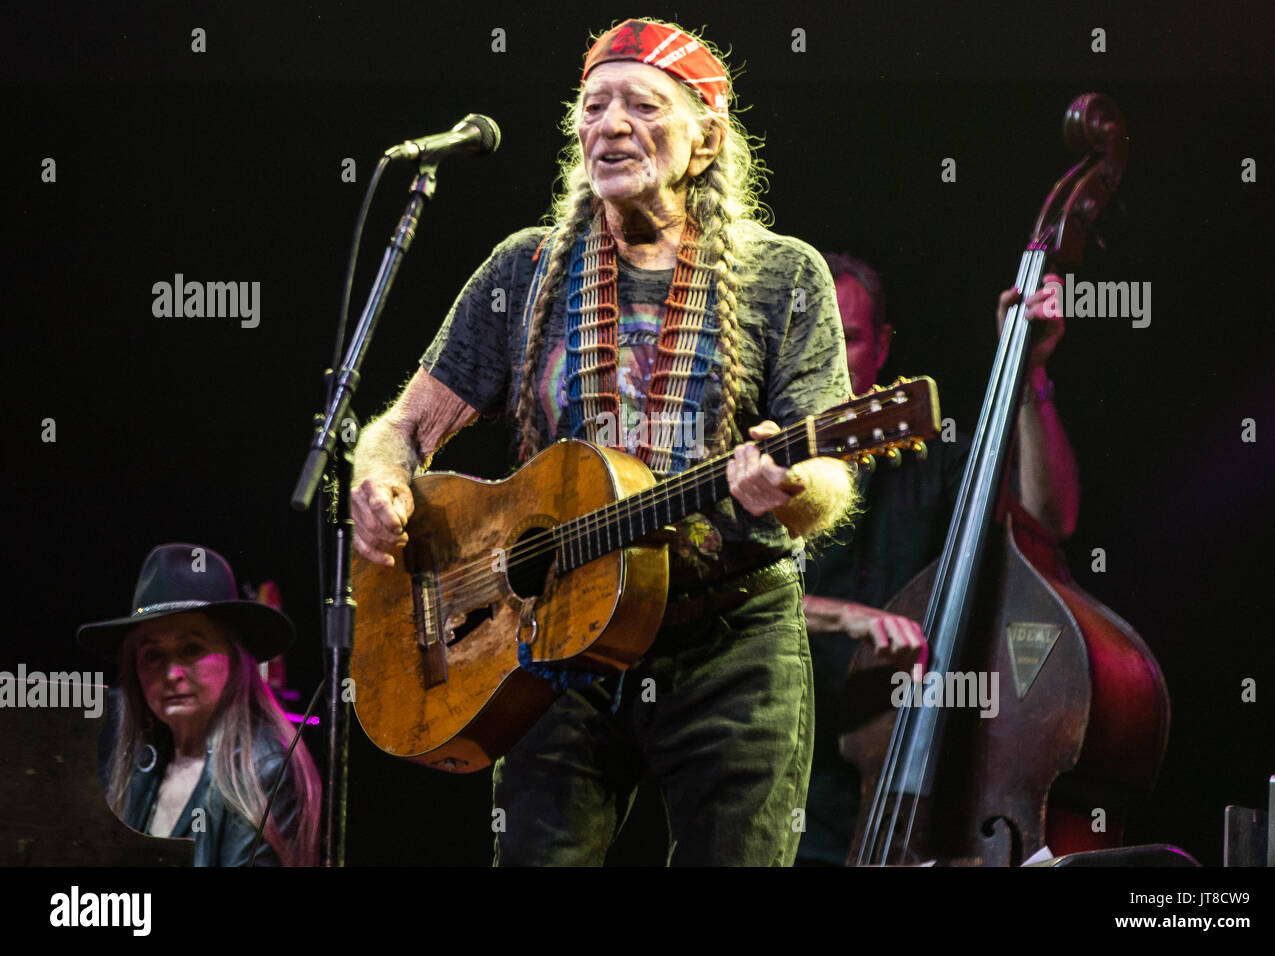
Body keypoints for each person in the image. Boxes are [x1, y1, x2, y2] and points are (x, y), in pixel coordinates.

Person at [351, 18, 855, 865]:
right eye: (592, 106)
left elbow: (830, 474)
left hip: (727, 639)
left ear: (706, 139)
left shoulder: (784, 275)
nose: (609, 124)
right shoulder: (526, 269)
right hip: (550, 641)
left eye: (642, 104)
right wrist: (379, 477)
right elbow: (400, 428)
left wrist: (794, 489)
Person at [796, 252, 1078, 865]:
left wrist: (1026, 372)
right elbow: (733, 592)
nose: (827, 360)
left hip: (920, 783)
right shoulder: (762, 462)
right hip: (795, 789)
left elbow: (1051, 516)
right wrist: (849, 617)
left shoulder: (932, 456)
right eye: (811, 340)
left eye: (846, 339)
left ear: (883, 347)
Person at [78, 543, 321, 866]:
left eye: (191, 648)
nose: (171, 673)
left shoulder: (264, 767)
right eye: (152, 656)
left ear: (235, 658)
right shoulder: (140, 764)